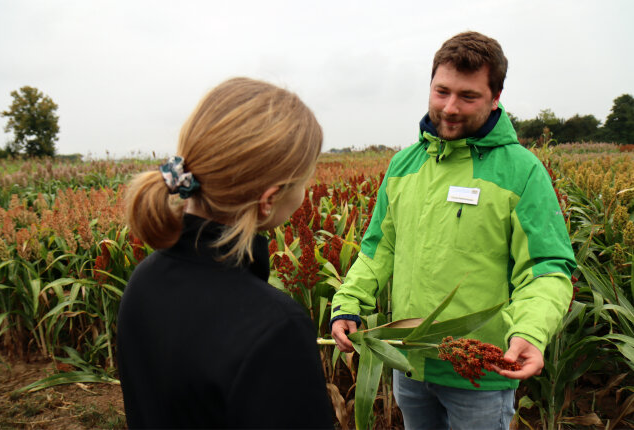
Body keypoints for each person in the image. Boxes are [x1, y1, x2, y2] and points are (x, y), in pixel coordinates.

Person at [330, 31, 576, 430]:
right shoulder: (404, 165)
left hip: (479, 374)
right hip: (408, 363)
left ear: (496, 97)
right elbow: (378, 249)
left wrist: (530, 331)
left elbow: (547, 268)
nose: (450, 107)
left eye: (468, 96)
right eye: (441, 91)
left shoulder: (522, 171)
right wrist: (349, 301)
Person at [117, 77, 333, 429]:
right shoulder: (276, 328)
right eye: (305, 179)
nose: (305, 193)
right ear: (269, 200)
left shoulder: (144, 280)